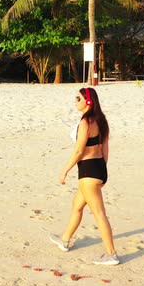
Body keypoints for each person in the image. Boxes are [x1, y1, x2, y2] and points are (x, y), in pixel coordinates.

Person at [50, 87, 120, 265]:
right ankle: (64, 240)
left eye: (78, 98)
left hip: (88, 171)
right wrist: (102, 172)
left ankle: (111, 254)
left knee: (99, 213)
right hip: (98, 168)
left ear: (88, 102)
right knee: (76, 206)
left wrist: (65, 170)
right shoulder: (102, 121)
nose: (76, 101)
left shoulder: (86, 123)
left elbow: (79, 151)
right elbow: (105, 149)